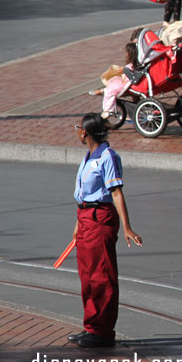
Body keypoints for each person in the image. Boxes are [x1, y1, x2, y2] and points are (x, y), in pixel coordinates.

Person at [67, 114, 142, 348]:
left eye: (78, 128)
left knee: (101, 275)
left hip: (100, 218)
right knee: (87, 275)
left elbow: (116, 193)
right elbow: (83, 196)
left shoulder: (108, 157)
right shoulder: (89, 156)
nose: (76, 131)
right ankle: (91, 325)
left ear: (85, 133)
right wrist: (78, 224)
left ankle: (103, 331)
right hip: (86, 217)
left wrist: (127, 227)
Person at [91, 42, 138, 119]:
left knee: (111, 91)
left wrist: (124, 70)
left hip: (126, 84)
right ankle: (102, 90)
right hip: (129, 81)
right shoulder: (136, 65)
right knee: (112, 83)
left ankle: (107, 110)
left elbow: (128, 74)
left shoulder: (130, 66)